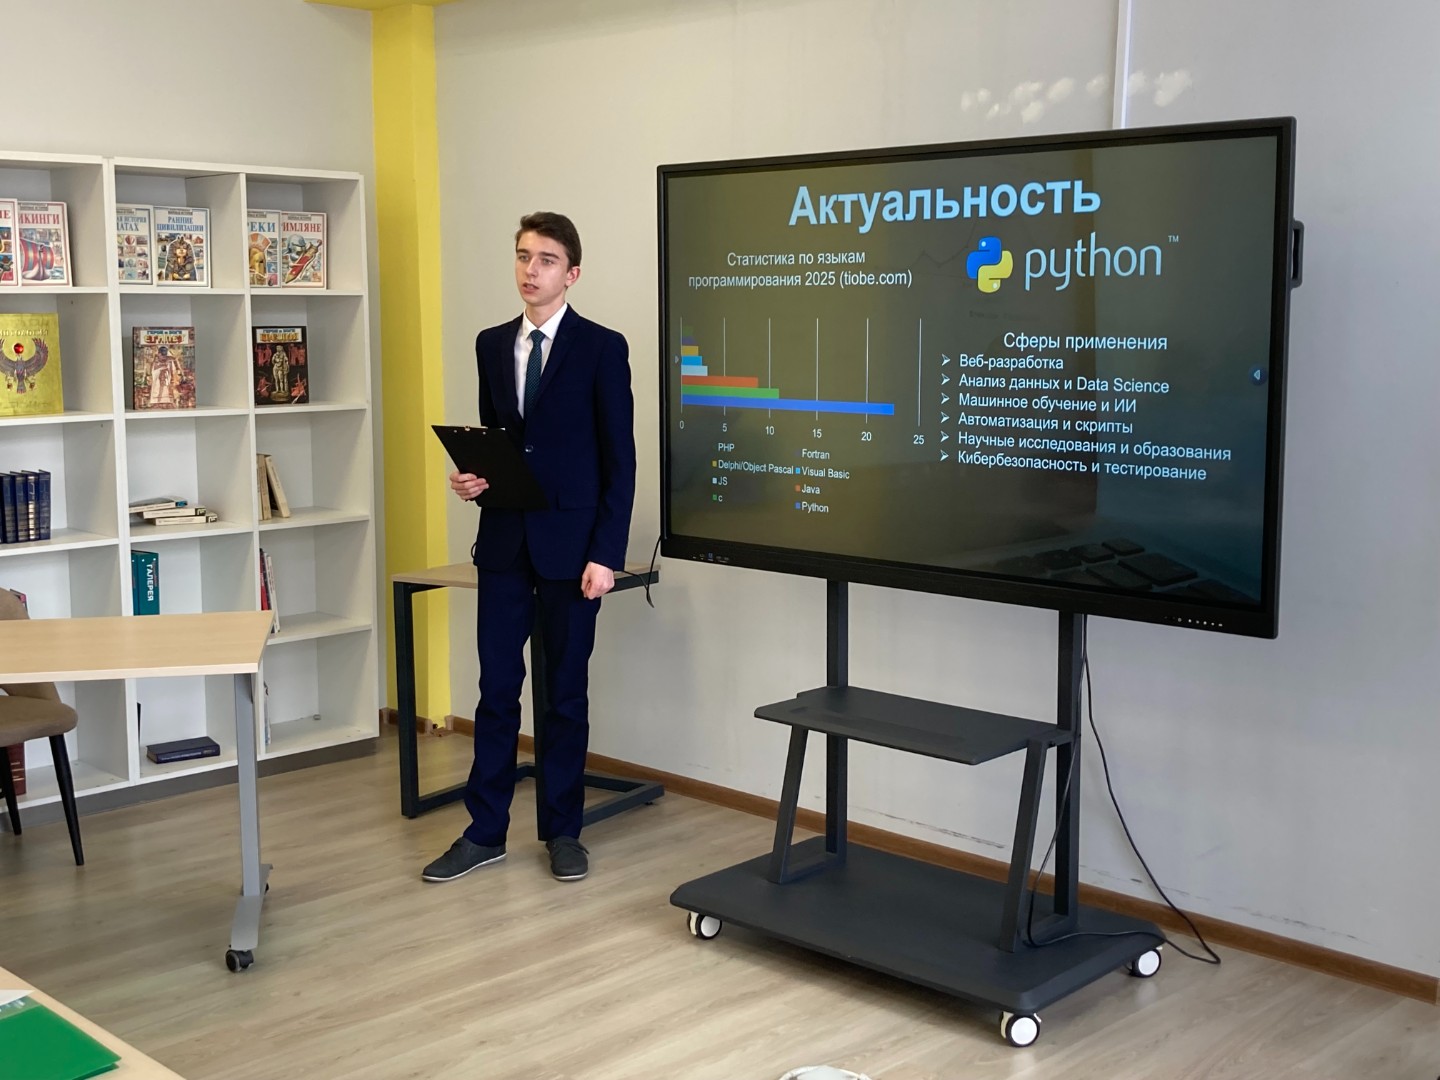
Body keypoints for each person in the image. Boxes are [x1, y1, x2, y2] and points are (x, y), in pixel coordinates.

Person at [423, 211, 635, 885]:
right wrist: (473, 480)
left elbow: (620, 461)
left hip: (574, 551)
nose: (530, 270)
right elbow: (501, 445)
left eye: (545, 259)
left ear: (572, 274)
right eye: (522, 256)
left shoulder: (602, 348)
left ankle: (563, 832)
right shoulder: (491, 344)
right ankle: (484, 832)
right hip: (505, 543)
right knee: (496, 692)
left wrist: (606, 554)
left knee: (564, 695)